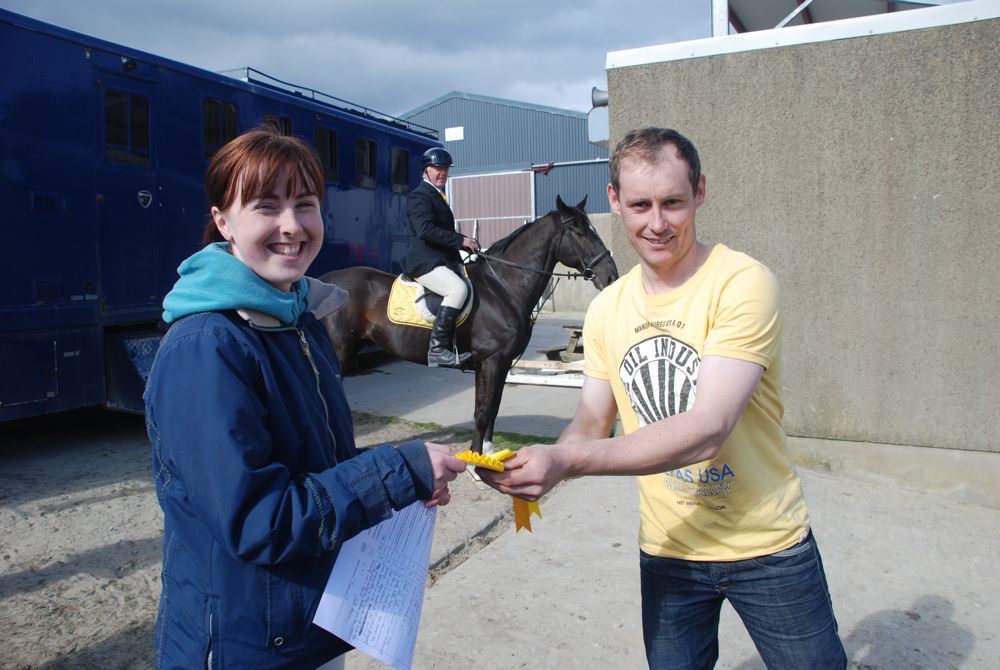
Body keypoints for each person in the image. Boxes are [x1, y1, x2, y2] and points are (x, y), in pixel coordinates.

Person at [479, 128, 847, 669]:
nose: (656, 223)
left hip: (766, 545)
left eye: (672, 202)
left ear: (700, 191)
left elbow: (708, 429)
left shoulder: (742, 283)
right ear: (614, 201)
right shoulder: (608, 309)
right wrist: (542, 462)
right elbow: (591, 420)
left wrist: (567, 462)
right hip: (668, 549)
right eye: (640, 205)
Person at [144, 127, 466, 669]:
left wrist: (409, 473)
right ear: (223, 221)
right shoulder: (207, 347)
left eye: (305, 204)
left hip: (303, 627)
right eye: (266, 206)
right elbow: (259, 520)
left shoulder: (301, 323)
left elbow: (314, 467)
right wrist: (395, 472)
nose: (291, 225)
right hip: (245, 646)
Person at [400, 147, 480, 368]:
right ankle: (437, 349)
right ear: (426, 170)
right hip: (424, 261)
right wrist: (460, 241)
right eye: (437, 168)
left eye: (445, 168)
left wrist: (465, 244)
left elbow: (442, 232)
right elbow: (425, 230)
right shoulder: (420, 195)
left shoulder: (437, 195)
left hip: (440, 259)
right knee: (458, 289)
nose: (442, 172)